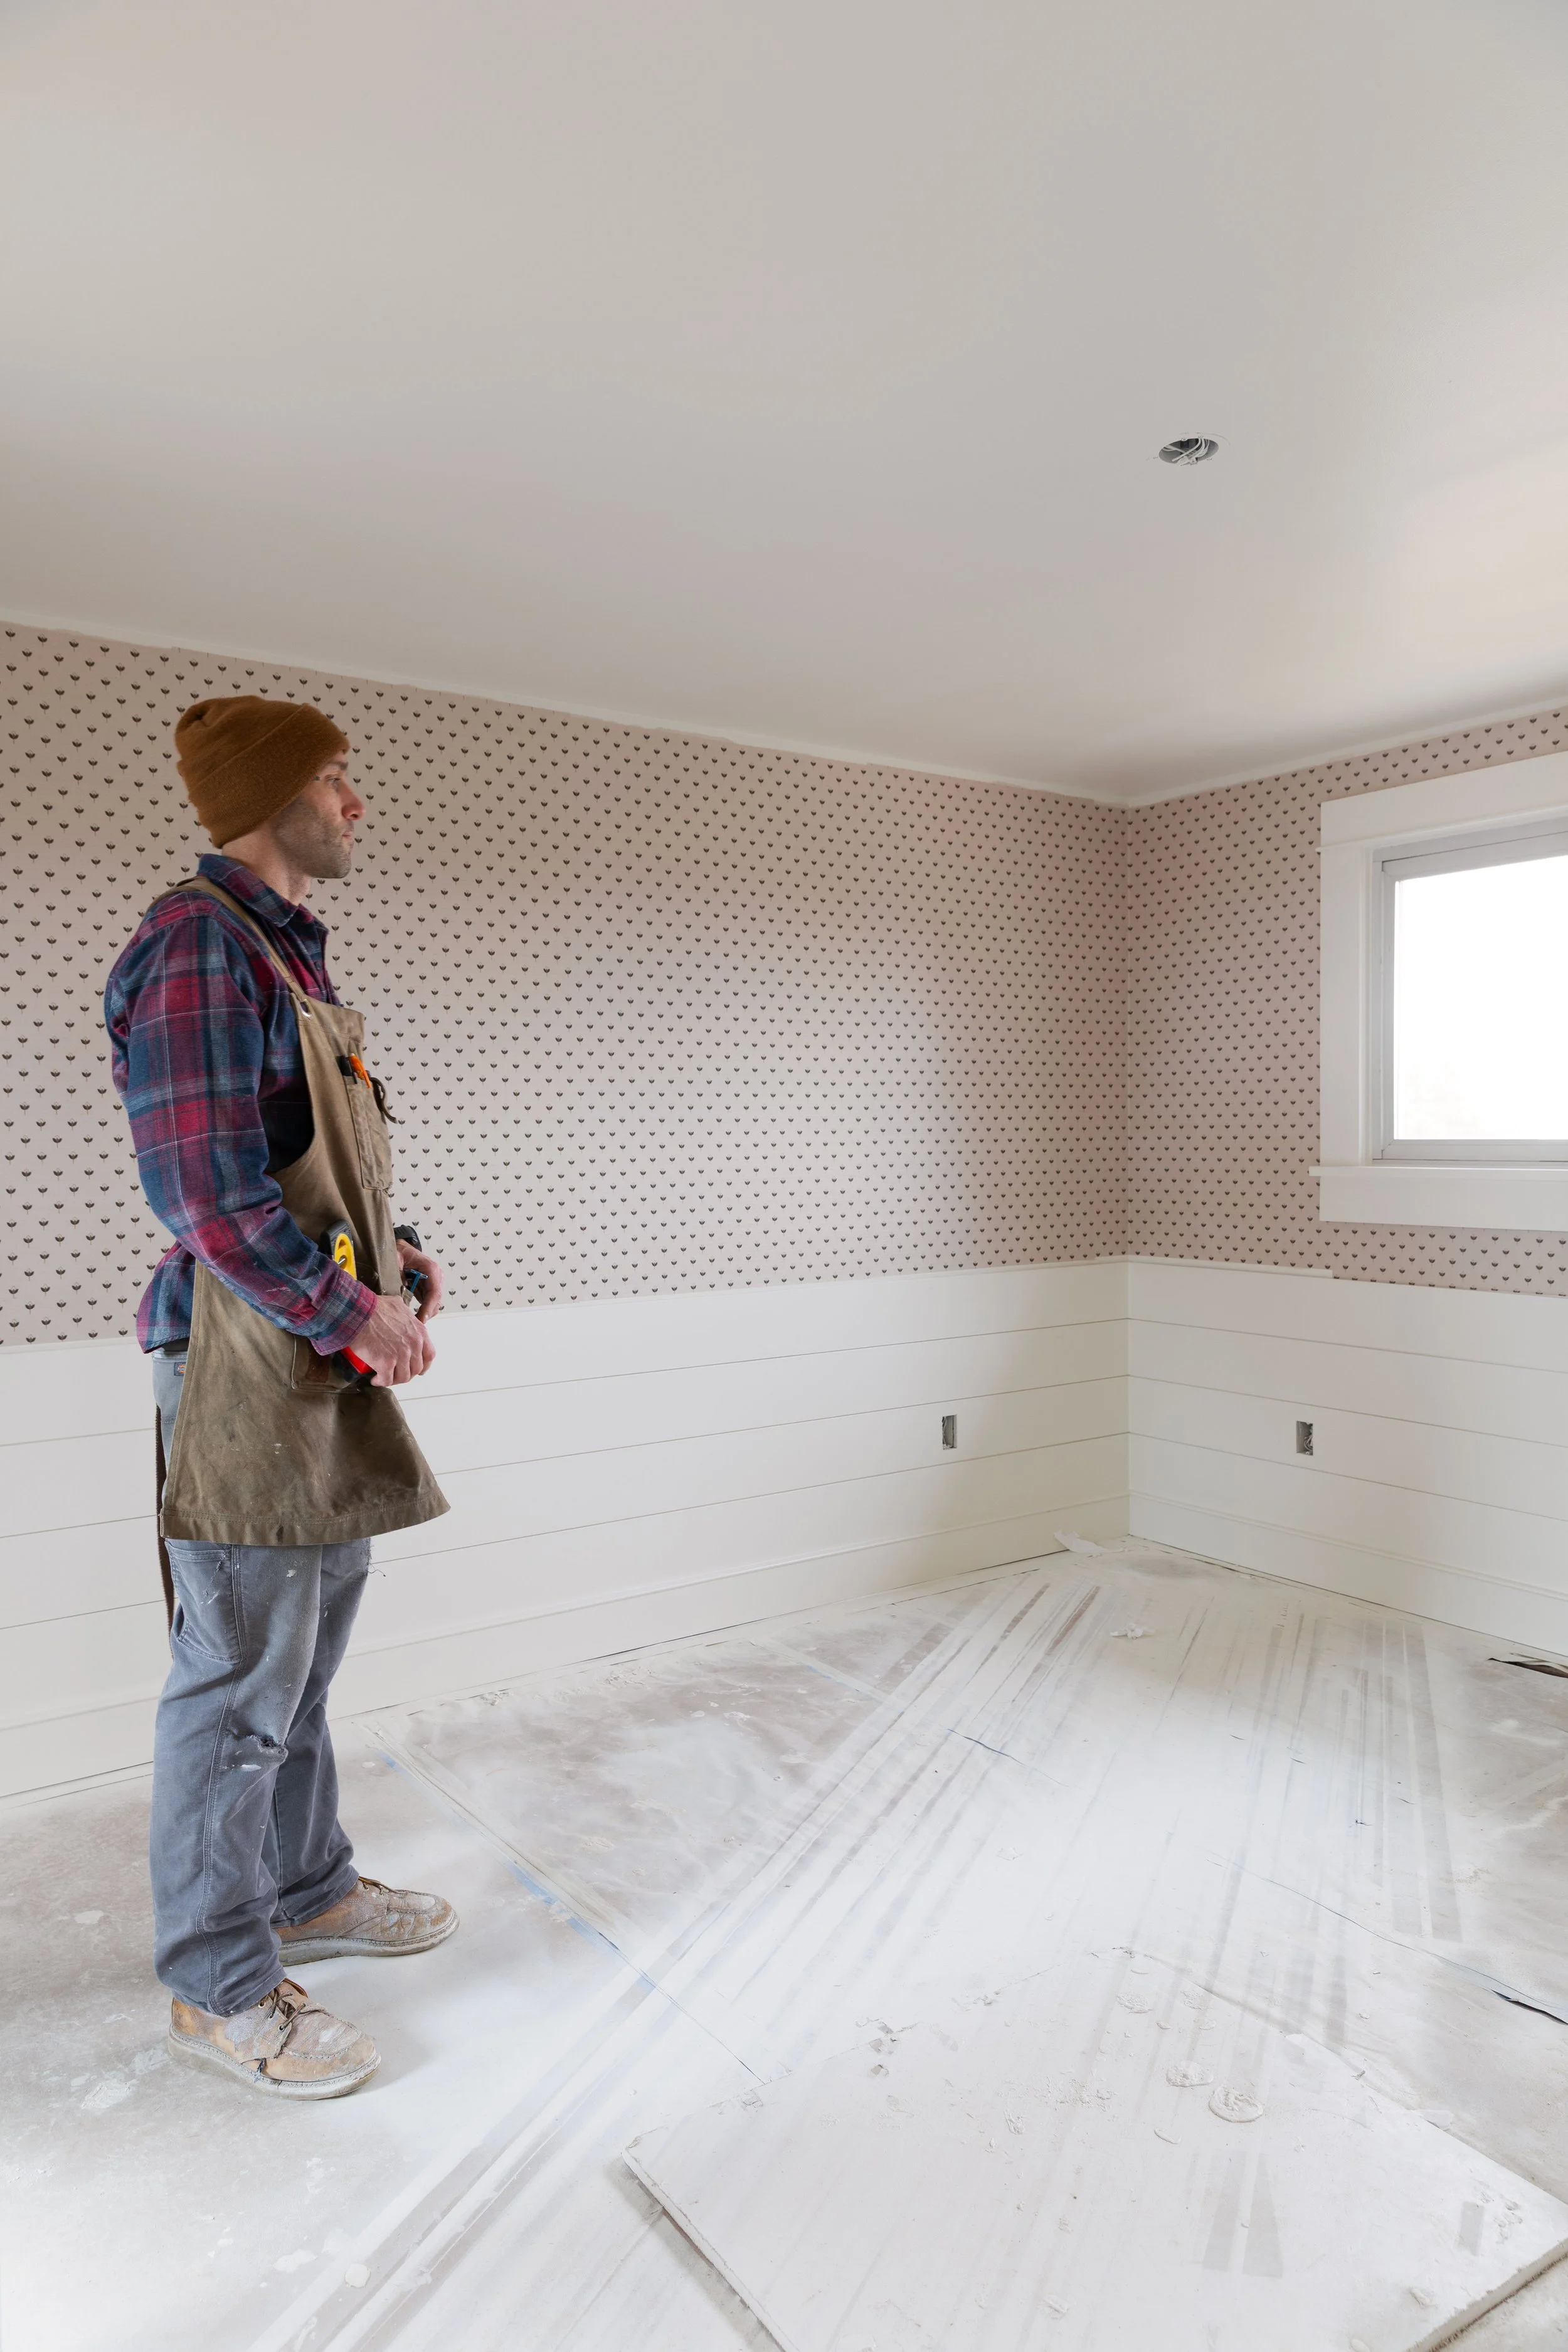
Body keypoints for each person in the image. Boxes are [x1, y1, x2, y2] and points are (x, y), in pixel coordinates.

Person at [105, 694, 455, 2100]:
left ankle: (305, 1886)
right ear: (271, 798)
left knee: (299, 1668)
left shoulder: (290, 961)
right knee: (237, 1686)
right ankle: (218, 1982)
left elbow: (320, 1169)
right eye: (334, 780)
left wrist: (402, 1258)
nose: (355, 803)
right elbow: (204, 1195)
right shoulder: (197, 944)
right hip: (249, 1368)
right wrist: (348, 1311)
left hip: (314, 1361)